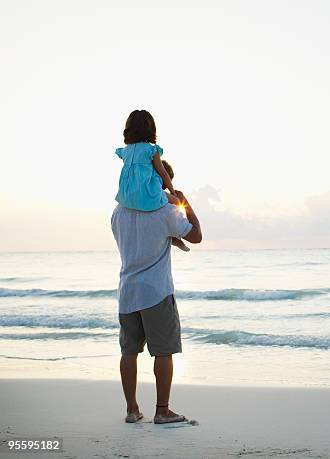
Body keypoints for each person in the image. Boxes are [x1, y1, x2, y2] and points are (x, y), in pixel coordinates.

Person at [111, 111, 203, 425]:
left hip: (127, 292)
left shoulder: (118, 212)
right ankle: (162, 411)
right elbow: (197, 235)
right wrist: (183, 200)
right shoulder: (163, 210)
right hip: (156, 291)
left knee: (129, 352)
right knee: (163, 352)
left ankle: (131, 410)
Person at [114, 109, 189, 251]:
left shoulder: (125, 151)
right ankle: (175, 238)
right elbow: (163, 173)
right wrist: (173, 192)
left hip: (127, 197)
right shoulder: (151, 150)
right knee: (177, 203)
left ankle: (173, 237)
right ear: (151, 129)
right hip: (148, 194)